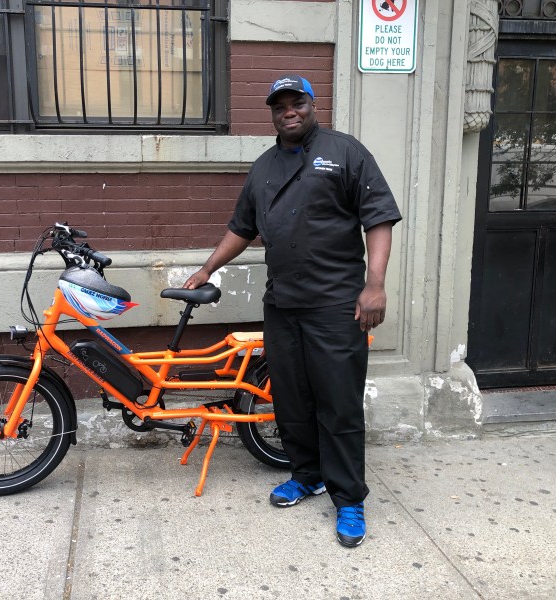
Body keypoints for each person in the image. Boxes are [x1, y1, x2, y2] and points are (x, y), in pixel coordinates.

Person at [183, 74, 401, 547]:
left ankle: (349, 499)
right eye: (280, 105)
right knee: (291, 400)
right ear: (273, 113)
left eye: (296, 102)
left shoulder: (346, 152)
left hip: (337, 304)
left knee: (338, 404)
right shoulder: (262, 168)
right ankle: (307, 475)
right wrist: (207, 269)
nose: (290, 111)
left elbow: (378, 218)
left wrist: (375, 284)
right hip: (283, 303)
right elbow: (241, 228)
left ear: (311, 103)